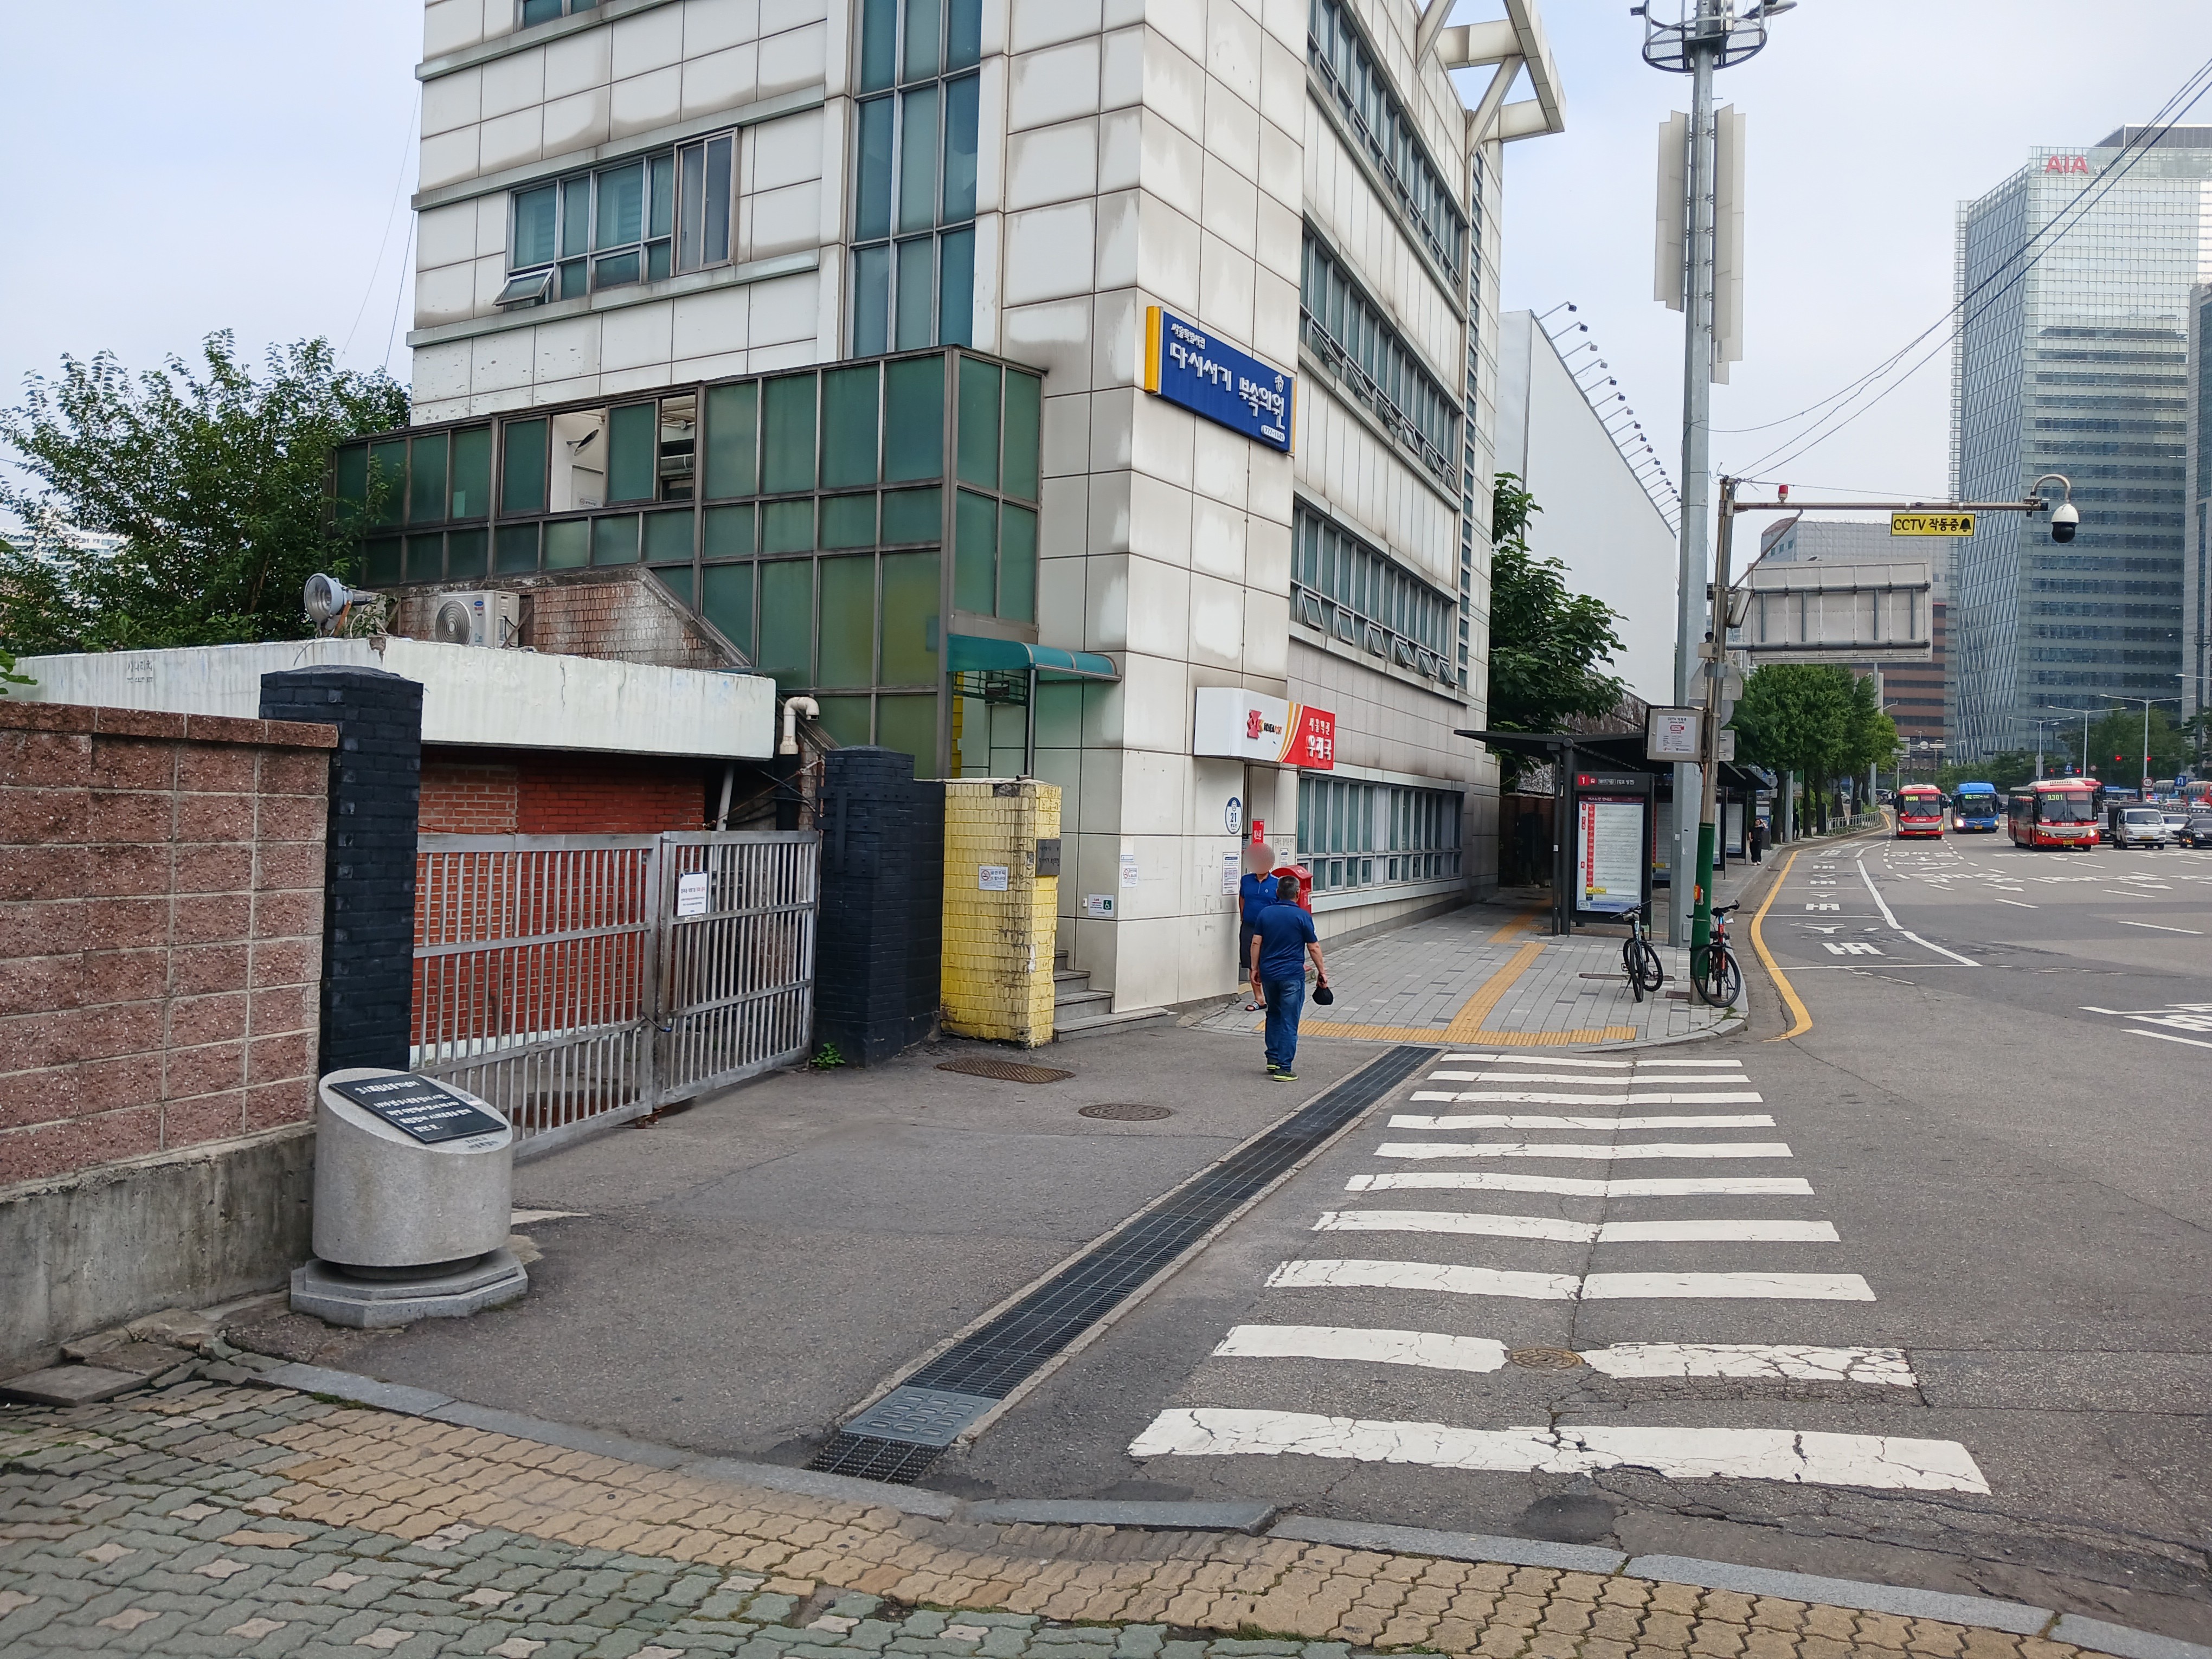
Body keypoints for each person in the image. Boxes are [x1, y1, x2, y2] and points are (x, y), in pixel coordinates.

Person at [1249, 875, 1326, 1081]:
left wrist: (1255, 968)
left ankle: (1273, 1058)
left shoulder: (1265, 914)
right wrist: (1322, 972)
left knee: (1274, 1014)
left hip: (1269, 975)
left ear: (1277, 892)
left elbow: (1256, 942)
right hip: (1292, 975)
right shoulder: (1302, 916)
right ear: (1298, 893)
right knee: (1289, 1021)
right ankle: (1284, 1068)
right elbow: (1314, 947)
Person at [1237, 854, 1275, 1012]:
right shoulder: (1246, 880)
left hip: (1269, 930)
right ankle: (1259, 999)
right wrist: (1243, 917)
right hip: (1249, 927)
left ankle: (1272, 997)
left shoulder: (1277, 883)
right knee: (1251, 962)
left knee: (1267, 962)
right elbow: (1242, 898)